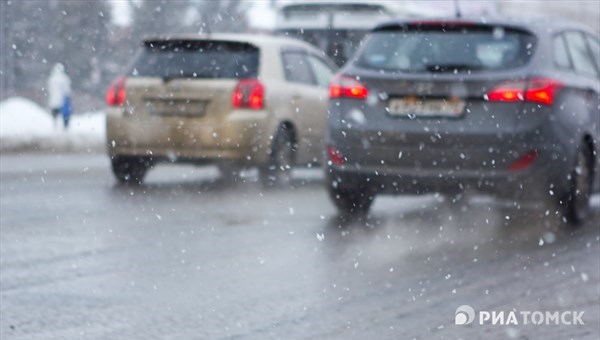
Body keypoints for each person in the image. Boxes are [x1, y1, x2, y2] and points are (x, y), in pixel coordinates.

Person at [47, 63, 72, 129]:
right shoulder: (64, 78)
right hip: (62, 100)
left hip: (54, 100)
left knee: (55, 114)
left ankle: (55, 125)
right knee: (64, 115)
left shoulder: (52, 79)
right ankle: (65, 126)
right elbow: (67, 90)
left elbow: (49, 89)